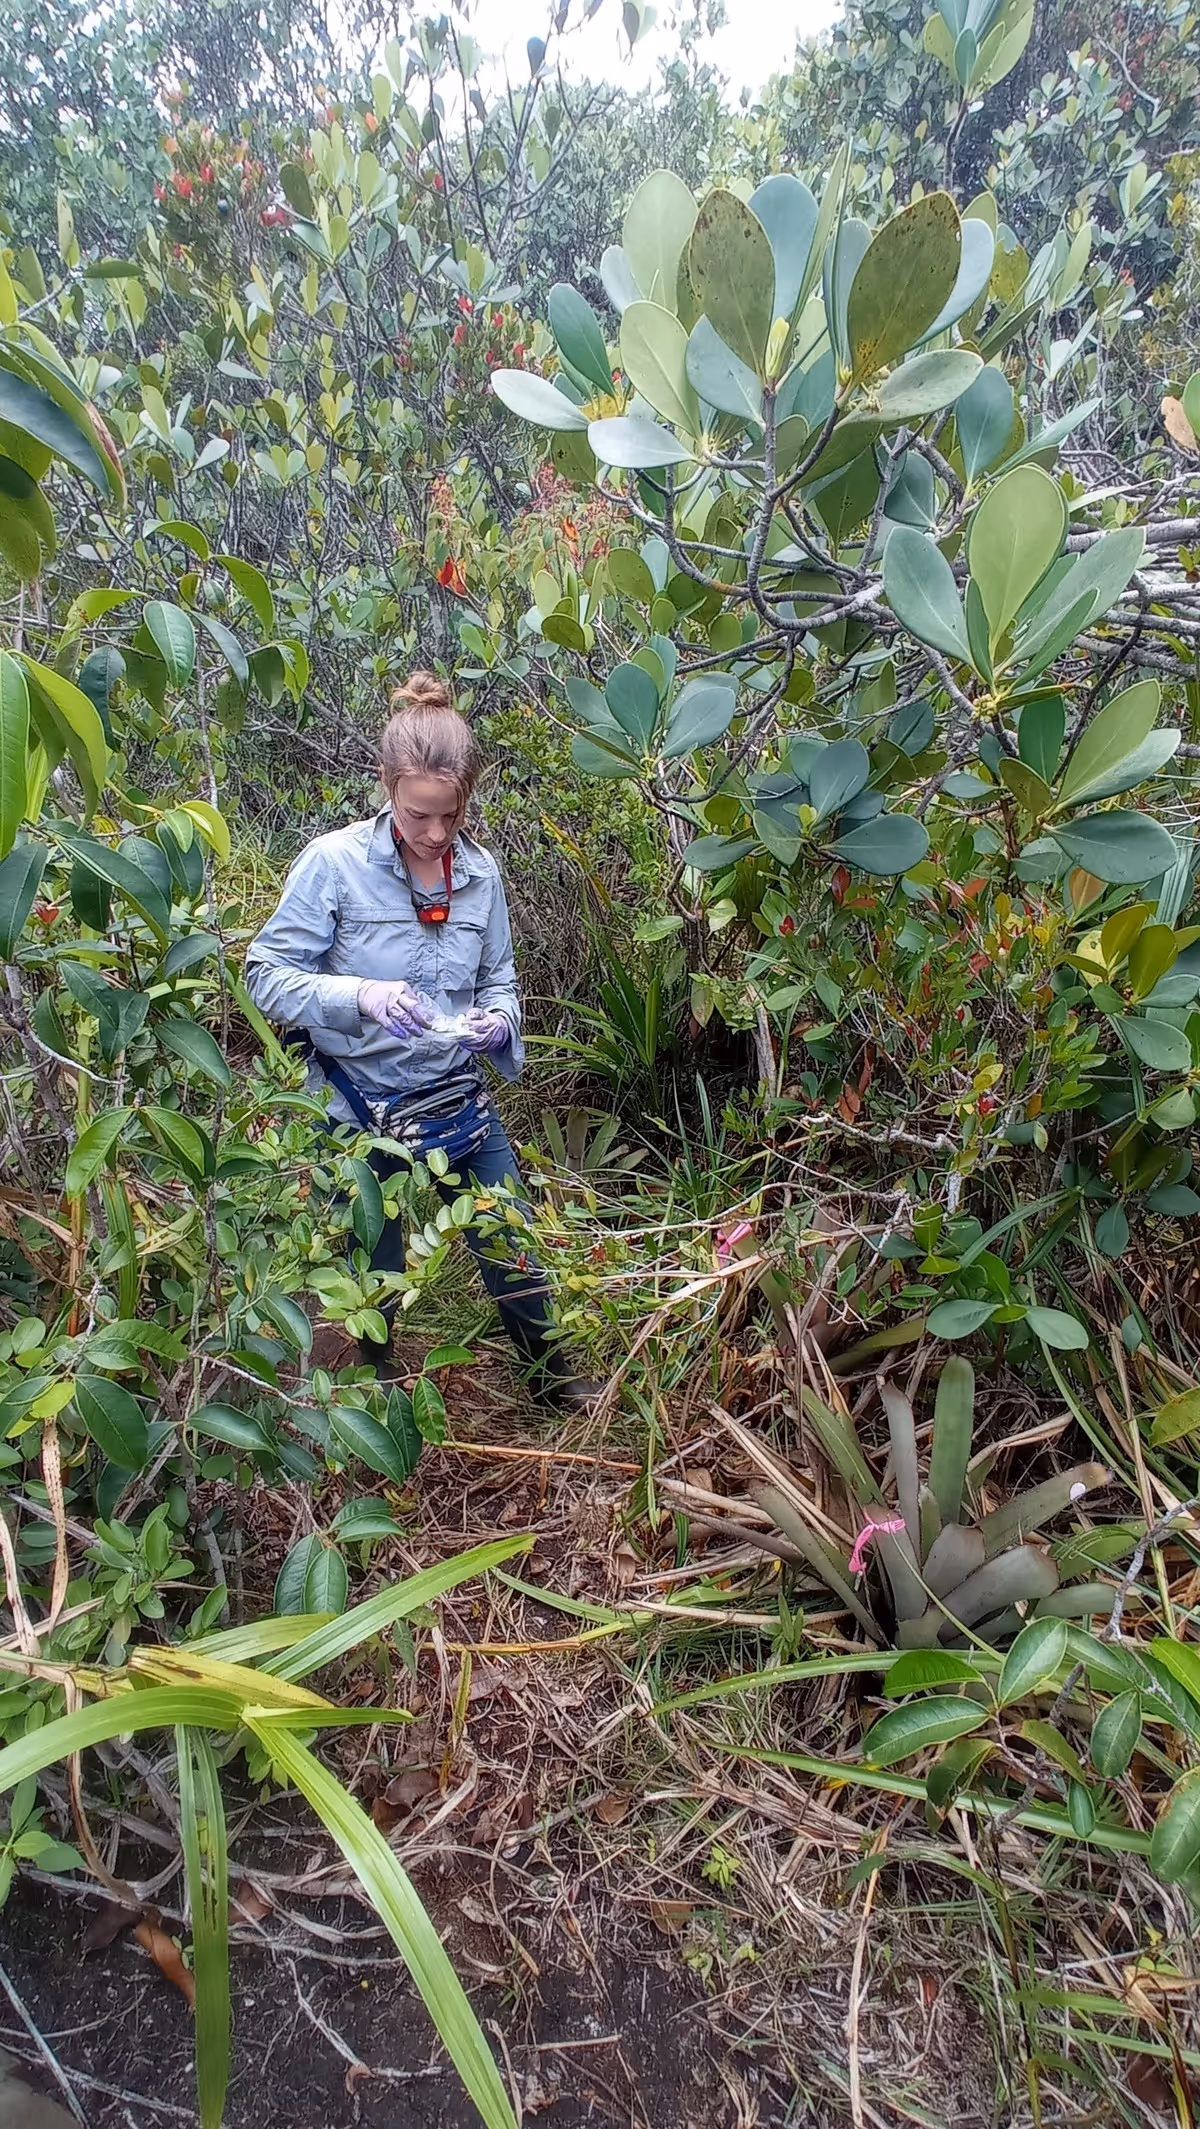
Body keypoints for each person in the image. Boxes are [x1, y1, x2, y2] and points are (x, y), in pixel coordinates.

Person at [244, 671, 598, 1408]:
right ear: (385, 784)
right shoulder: (333, 864)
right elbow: (264, 976)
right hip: (358, 1108)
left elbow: (499, 975)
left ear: (468, 796)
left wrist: (499, 1022)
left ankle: (556, 1386)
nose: (436, 834)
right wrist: (360, 995)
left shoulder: (480, 873)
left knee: (512, 1242)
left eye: (451, 813)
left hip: (458, 1100)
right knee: (376, 1269)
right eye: (417, 815)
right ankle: (375, 1401)